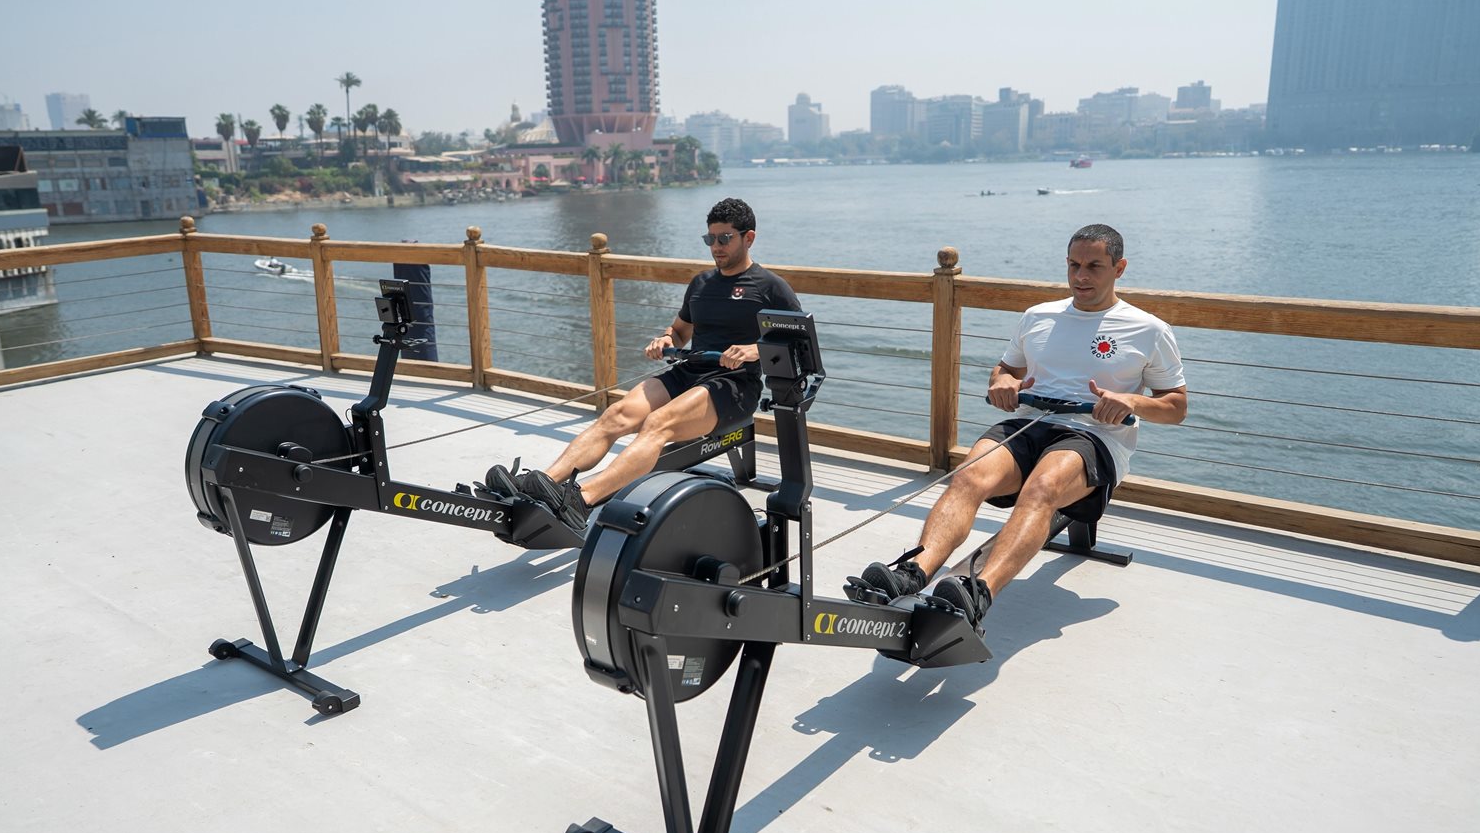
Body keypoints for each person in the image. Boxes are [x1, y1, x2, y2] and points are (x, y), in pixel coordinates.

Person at [851, 223, 1187, 635]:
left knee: (1041, 489)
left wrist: (1132, 402)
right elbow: (1005, 370)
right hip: (1028, 423)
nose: (1081, 276)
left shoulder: (1149, 329)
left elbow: (1176, 407)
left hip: (1093, 436)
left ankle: (980, 592)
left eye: (1094, 267)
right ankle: (912, 572)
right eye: (1074, 265)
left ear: (1119, 268)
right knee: (968, 476)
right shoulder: (1038, 316)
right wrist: (1003, 383)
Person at [484, 197, 801, 529]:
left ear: (748, 238)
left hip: (734, 385)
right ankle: (541, 486)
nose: (716, 247)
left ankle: (581, 500)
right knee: (615, 415)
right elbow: (681, 331)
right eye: (710, 238)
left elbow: (798, 341)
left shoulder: (770, 287)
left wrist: (754, 350)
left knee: (657, 424)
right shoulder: (701, 283)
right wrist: (666, 339)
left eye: (725, 238)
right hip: (689, 371)